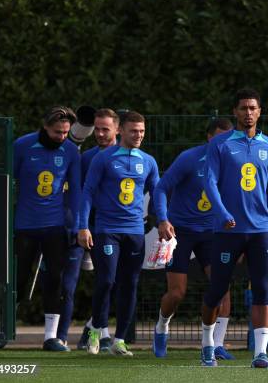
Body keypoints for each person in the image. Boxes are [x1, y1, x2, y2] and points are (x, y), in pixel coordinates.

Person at [199, 89, 268, 368]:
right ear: (235, 111)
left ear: (260, 112)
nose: (248, 113)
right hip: (226, 231)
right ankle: (208, 344)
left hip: (260, 230)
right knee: (218, 289)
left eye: (253, 108)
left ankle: (261, 353)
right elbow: (210, 182)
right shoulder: (220, 144)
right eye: (243, 108)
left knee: (262, 290)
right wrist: (222, 213)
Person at [152, 118, 236, 359]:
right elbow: (160, 188)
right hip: (180, 231)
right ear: (210, 137)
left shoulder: (234, 161)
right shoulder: (189, 158)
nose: (226, 142)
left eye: (229, 137)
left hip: (213, 233)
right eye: (221, 137)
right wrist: (163, 219)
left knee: (222, 288)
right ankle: (162, 326)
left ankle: (215, 344)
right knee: (177, 293)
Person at [78, 111, 160, 356]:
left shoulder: (148, 161)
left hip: (135, 231)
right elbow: (87, 192)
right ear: (121, 131)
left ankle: (119, 340)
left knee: (130, 284)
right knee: (106, 281)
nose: (138, 136)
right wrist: (83, 226)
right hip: (107, 230)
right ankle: (96, 329)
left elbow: (158, 194)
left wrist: (164, 220)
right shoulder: (103, 159)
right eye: (134, 131)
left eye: (142, 132)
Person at [13, 106, 81, 351]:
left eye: (65, 132)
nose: (61, 137)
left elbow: (75, 190)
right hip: (25, 225)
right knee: (18, 278)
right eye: (56, 132)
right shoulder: (22, 145)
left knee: (55, 279)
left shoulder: (71, 151)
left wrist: (76, 224)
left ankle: (51, 337)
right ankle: (7, 324)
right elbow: (9, 180)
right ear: (44, 127)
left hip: (55, 226)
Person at [60, 109, 120, 351]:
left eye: (106, 129)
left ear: (118, 129)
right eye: (97, 128)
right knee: (105, 280)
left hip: (123, 228)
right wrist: (82, 226)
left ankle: (91, 327)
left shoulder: (134, 156)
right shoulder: (87, 158)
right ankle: (101, 334)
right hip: (95, 227)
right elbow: (79, 194)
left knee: (116, 282)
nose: (101, 133)